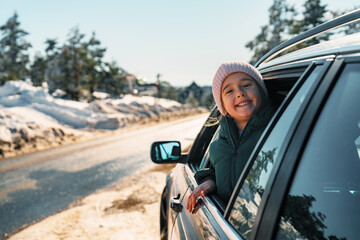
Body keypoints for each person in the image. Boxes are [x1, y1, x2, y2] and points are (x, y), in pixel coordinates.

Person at [186, 61, 275, 214]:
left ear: (261, 91)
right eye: (229, 91)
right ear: (223, 106)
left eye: (247, 85)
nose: (239, 93)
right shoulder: (218, 145)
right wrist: (210, 181)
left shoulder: (277, 129)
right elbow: (221, 168)